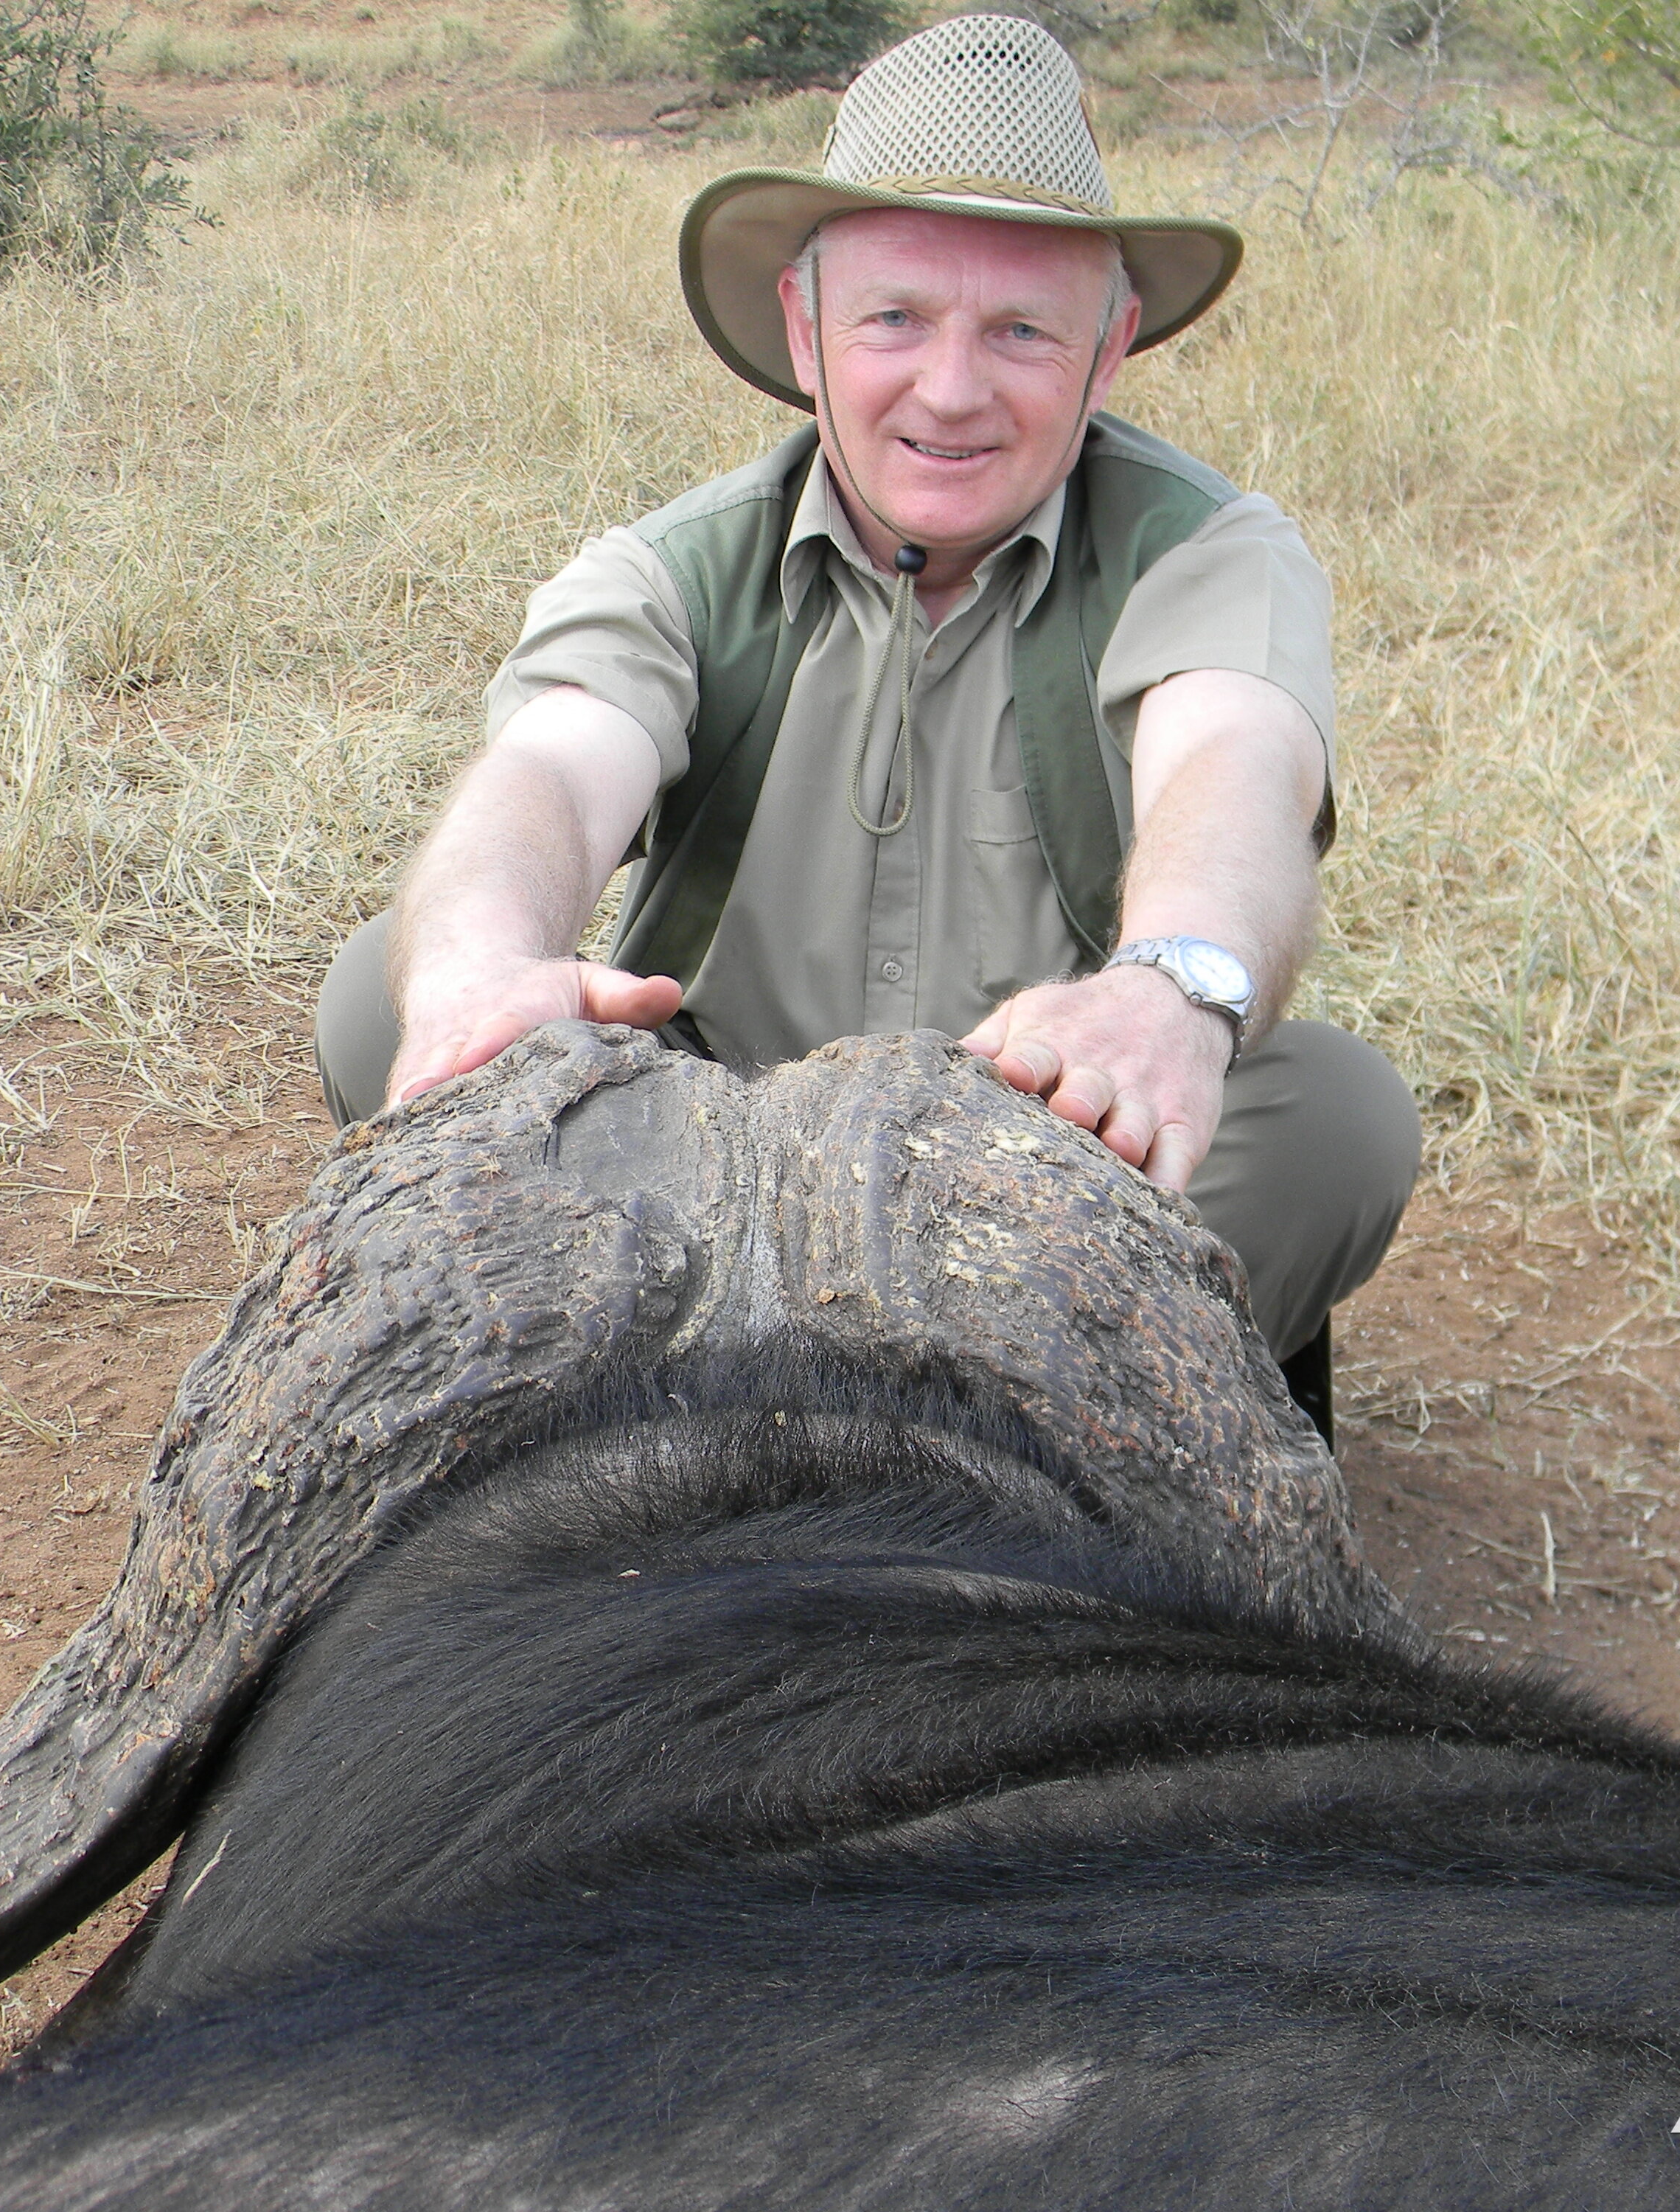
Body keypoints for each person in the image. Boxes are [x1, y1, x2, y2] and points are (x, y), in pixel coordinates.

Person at [314, 15, 1418, 1428]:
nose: (951, 391)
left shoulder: (1205, 550)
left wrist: (1168, 991)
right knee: (389, 991)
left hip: (1043, 1159)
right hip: (702, 1140)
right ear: (804, 328)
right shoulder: (678, 567)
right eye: (896, 317)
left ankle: (793, 1392)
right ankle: (956, 1402)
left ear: (1111, 346)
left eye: (1022, 329)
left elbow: (1235, 768)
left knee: (1337, 1117)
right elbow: (550, 767)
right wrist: (478, 957)